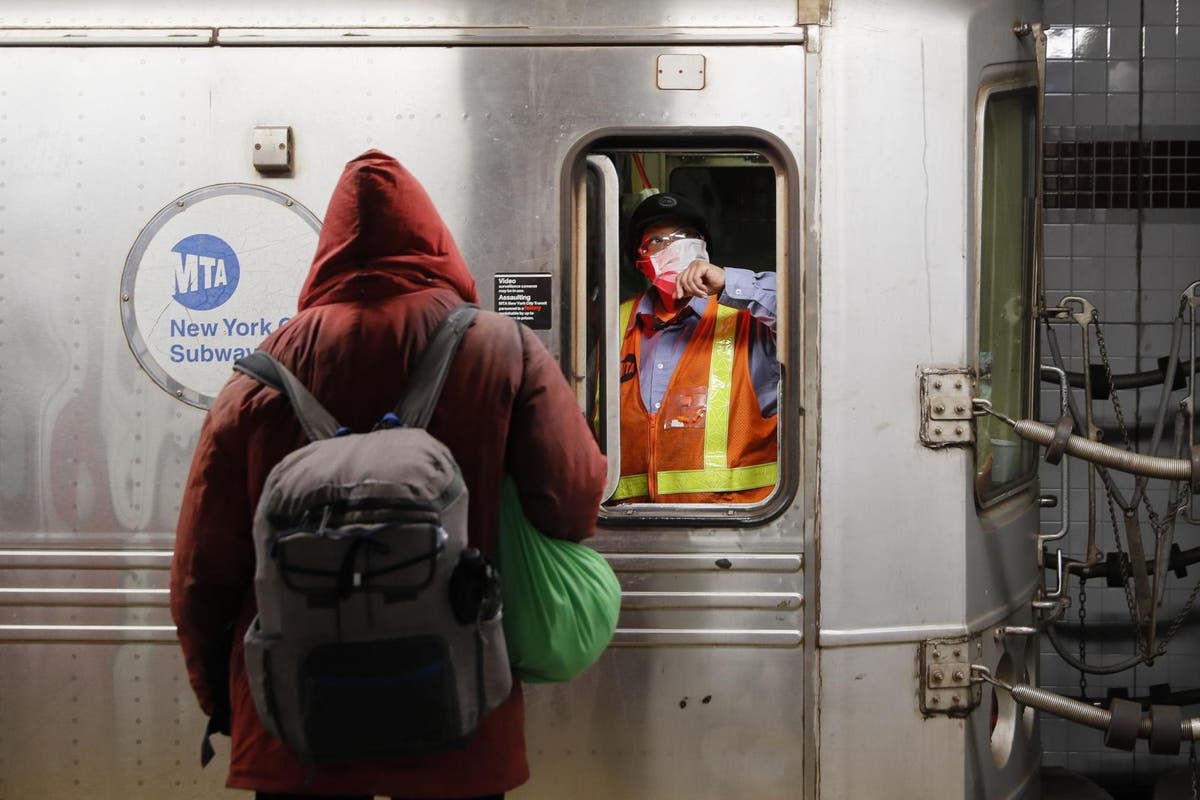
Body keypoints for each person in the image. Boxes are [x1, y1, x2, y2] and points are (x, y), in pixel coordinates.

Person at [170, 150, 608, 800]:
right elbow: (571, 503)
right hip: (459, 707)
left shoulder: (255, 381)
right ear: (435, 242)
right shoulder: (504, 349)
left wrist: (229, 699)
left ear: (327, 253)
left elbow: (203, 573)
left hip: (295, 721)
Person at [609, 191, 778, 504]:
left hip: (742, 527)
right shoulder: (615, 324)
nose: (675, 245)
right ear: (641, 261)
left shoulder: (748, 318)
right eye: (658, 240)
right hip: (631, 528)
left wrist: (729, 282)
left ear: (703, 247)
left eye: (686, 235)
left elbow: (815, 312)